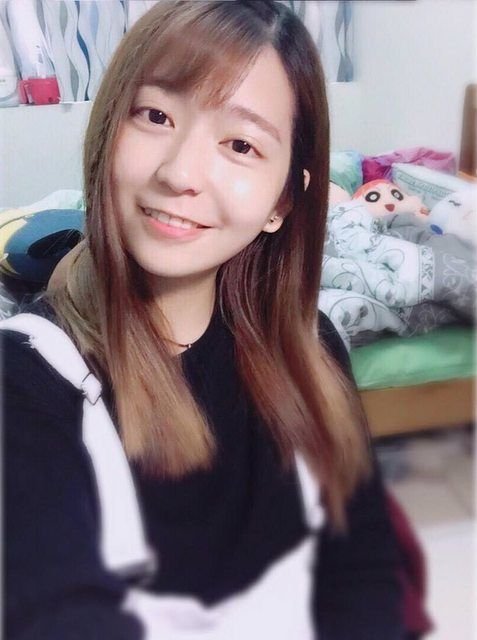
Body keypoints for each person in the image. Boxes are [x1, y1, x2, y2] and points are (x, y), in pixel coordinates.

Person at [2, 1, 405, 638]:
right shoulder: (25, 381)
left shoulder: (313, 348)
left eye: (241, 144)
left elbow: (364, 573)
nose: (179, 173)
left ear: (282, 201)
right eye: (156, 115)